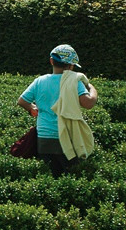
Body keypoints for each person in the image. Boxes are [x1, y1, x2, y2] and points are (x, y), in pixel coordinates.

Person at [17, 45, 97, 177]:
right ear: (71, 66)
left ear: (51, 61)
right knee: (71, 176)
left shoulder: (39, 81)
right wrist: (91, 88)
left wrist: (32, 108)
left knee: (49, 176)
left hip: (44, 138)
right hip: (67, 137)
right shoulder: (74, 81)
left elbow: (22, 101)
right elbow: (88, 103)